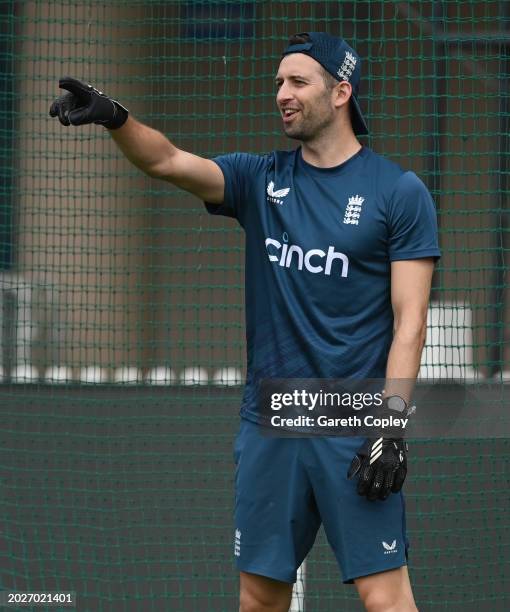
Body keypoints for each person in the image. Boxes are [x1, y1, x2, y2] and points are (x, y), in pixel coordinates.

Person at [50, 31, 440, 612]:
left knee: (384, 597)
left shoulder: (398, 192)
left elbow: (410, 322)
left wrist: (389, 428)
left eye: (297, 82)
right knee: (258, 598)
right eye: (279, 82)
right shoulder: (259, 179)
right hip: (272, 415)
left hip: (355, 419)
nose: (282, 93)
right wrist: (115, 117)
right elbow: (166, 160)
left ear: (341, 92)